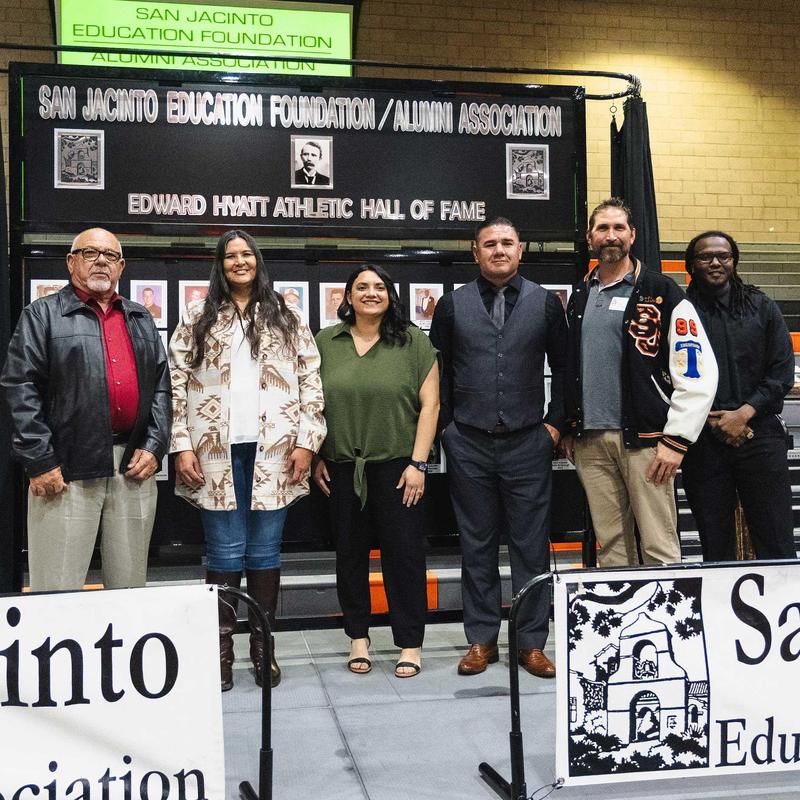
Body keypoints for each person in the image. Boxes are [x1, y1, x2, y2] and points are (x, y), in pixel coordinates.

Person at [169, 229, 326, 691]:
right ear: (219, 265)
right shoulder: (197, 315)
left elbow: (310, 381)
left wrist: (306, 442)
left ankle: (263, 648)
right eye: (229, 256)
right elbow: (176, 383)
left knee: (263, 552)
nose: (239, 262)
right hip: (212, 450)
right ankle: (220, 651)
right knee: (223, 552)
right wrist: (180, 443)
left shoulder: (287, 314)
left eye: (246, 255)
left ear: (257, 261)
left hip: (275, 449)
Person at [429, 217, 567, 678]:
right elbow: (439, 374)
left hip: (529, 440)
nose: (499, 250)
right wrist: (447, 427)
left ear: (521, 249)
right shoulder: (451, 306)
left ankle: (530, 643)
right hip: (468, 441)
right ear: (475, 252)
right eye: (490, 244)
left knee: (531, 545)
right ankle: (481, 640)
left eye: (507, 242)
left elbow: (565, 371)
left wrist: (553, 426)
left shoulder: (546, 304)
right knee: (477, 544)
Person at [1, 228, 170, 591]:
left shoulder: (140, 318)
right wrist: (40, 461)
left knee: (129, 590)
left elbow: (160, 387)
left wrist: (155, 445)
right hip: (64, 468)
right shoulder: (42, 315)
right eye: (90, 253)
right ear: (71, 261)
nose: (100, 261)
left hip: (132, 468)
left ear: (121, 266)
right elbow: (20, 388)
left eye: (110, 256)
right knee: (56, 590)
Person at [562, 198, 718, 567]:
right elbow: (571, 367)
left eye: (619, 228)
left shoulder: (663, 292)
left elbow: (696, 370)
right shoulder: (581, 294)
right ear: (590, 238)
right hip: (591, 440)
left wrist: (677, 439)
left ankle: (668, 622)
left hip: (647, 442)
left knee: (659, 544)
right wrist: (571, 424)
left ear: (632, 235)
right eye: (602, 228)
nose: (611, 236)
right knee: (611, 546)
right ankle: (621, 623)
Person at [313, 264, 439, 678]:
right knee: (349, 557)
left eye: (379, 287)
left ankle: (409, 644)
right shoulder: (325, 342)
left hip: (399, 470)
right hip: (341, 468)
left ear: (390, 295)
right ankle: (358, 638)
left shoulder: (412, 341)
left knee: (403, 559)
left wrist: (418, 463)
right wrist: (315, 456)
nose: (371, 293)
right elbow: (309, 403)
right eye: (361, 287)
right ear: (347, 296)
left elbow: (431, 406)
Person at [681, 230, 796, 561]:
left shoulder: (762, 307)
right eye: (705, 257)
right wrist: (710, 418)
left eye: (723, 256)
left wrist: (743, 413)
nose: (715, 263)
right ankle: (720, 611)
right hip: (703, 438)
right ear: (691, 265)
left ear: (734, 261)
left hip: (758, 435)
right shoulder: (681, 313)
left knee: (775, 536)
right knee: (714, 541)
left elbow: (781, 373)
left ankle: (783, 608)